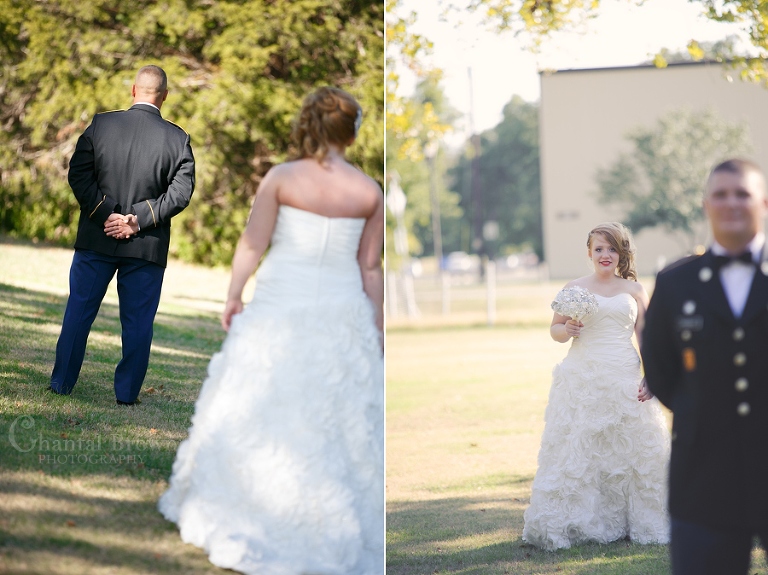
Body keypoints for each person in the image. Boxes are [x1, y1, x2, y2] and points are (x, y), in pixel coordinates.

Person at [157, 86, 384, 575]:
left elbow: (252, 241)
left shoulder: (283, 177)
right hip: (343, 309)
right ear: (351, 132)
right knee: (333, 409)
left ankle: (252, 500)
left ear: (308, 124)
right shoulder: (369, 190)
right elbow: (370, 268)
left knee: (264, 394)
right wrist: (376, 327)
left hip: (283, 301)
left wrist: (234, 293)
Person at [642, 158, 768, 575]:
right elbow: (660, 367)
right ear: (705, 205)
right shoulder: (676, 281)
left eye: (743, 194)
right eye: (721, 194)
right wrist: (701, 410)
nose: (731, 203)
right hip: (703, 477)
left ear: (763, 203)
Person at [49, 65, 195, 405]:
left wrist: (107, 213)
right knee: (138, 325)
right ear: (165, 96)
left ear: (134, 90)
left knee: (78, 313)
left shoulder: (101, 124)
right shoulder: (178, 139)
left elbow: (79, 175)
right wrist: (138, 221)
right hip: (146, 246)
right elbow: (181, 193)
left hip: (96, 238)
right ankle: (127, 395)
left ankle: (61, 384)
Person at [522, 222, 670, 551]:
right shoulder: (574, 288)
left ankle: (636, 520)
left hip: (624, 374)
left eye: (612, 248)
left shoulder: (634, 290)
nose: (605, 254)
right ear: (589, 252)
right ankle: (583, 522)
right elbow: (555, 330)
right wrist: (569, 329)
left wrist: (652, 374)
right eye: (599, 248)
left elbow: (644, 335)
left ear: (622, 253)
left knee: (631, 451)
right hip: (583, 377)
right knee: (582, 451)